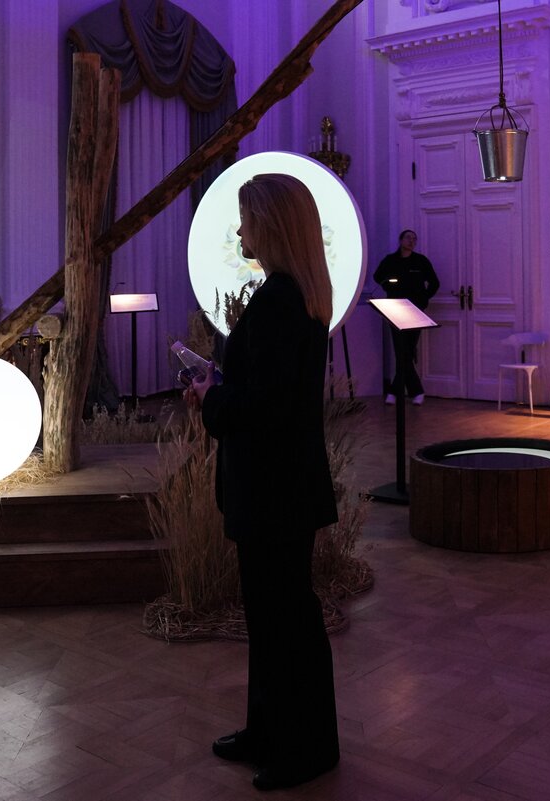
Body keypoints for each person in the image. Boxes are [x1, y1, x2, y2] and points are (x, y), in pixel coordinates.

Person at [184, 173, 340, 792]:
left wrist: (210, 399)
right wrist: (223, 388)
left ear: (270, 225)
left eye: (246, 217)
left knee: (284, 620)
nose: (240, 228)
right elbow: (274, 392)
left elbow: (265, 407)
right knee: (276, 616)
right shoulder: (297, 294)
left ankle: (306, 750)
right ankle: (270, 731)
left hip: (274, 487)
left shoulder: (278, 299)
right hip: (284, 485)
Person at [373, 229, 439, 405]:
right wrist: (388, 287)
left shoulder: (421, 261)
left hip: (415, 310)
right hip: (396, 310)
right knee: (401, 350)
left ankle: (395, 391)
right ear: (400, 240)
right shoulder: (390, 261)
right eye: (408, 238)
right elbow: (377, 277)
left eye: (414, 239)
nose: (411, 241)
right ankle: (415, 391)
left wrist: (424, 298)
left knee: (407, 351)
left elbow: (435, 282)